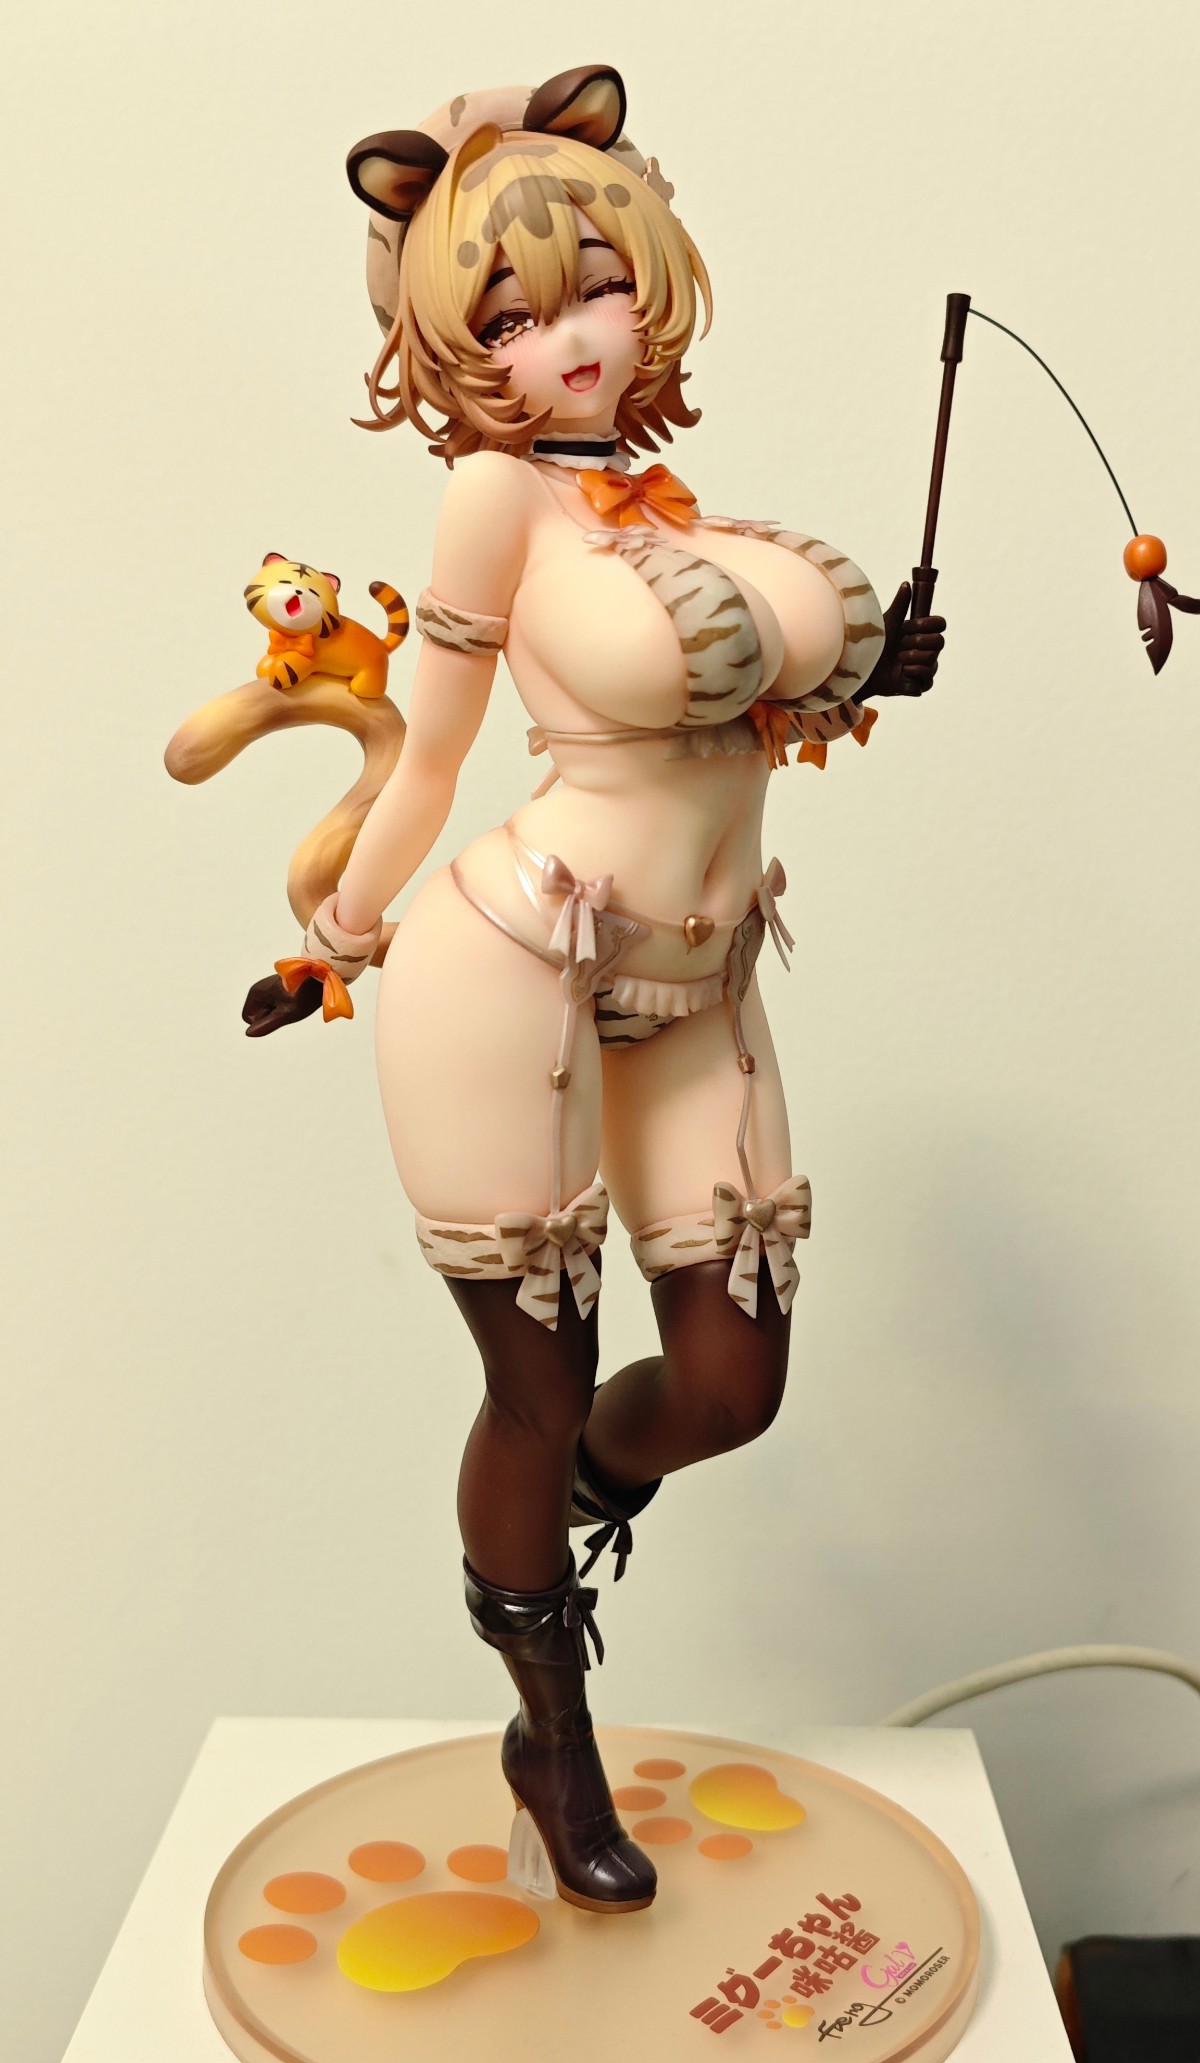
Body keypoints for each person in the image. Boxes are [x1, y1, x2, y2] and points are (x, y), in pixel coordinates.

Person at [237, 66, 945, 1916]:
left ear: (653, 276)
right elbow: (438, 748)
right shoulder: (494, 498)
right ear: (450, 344)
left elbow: (743, 712)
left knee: (727, 1381)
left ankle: (572, 1505)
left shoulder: (669, 504)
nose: (566, 337)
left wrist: (871, 667)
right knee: (534, 1377)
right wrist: (338, 932)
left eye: (599, 285)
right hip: (513, 966)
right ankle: (550, 1734)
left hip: (699, 982)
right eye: (509, 316)